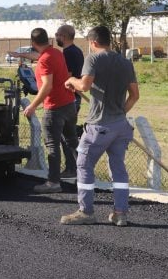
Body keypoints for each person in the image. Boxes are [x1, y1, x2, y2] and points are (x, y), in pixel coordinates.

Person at [61, 25, 140, 226]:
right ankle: (120, 213)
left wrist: (71, 80)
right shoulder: (125, 62)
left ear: (93, 42)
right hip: (121, 126)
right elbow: (135, 95)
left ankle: (86, 211)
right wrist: (120, 113)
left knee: (84, 164)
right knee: (118, 169)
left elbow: (84, 85)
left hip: (98, 127)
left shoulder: (93, 59)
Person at [12, 28, 78, 193]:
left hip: (55, 108)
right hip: (70, 104)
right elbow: (41, 57)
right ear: (48, 40)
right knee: (72, 143)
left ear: (32, 43)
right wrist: (21, 55)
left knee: (52, 146)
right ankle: (83, 176)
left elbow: (47, 86)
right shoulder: (56, 53)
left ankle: (53, 182)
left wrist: (32, 105)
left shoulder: (44, 61)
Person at [56, 24, 84, 178]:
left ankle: (72, 168)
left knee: (66, 135)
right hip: (74, 98)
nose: (56, 37)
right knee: (68, 134)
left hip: (69, 99)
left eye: (57, 34)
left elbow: (67, 76)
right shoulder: (77, 51)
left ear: (64, 36)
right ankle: (75, 167)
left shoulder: (68, 53)